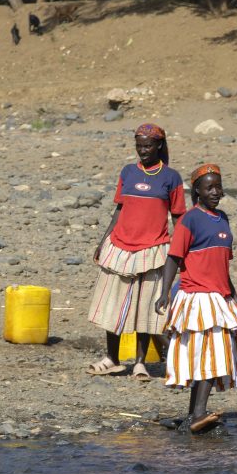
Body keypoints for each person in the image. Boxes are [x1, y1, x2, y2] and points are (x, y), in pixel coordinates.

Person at [155, 164, 237, 433]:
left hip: (220, 298)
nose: (216, 192)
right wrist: (164, 293)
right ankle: (199, 412)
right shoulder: (190, 219)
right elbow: (174, 258)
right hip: (198, 297)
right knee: (212, 357)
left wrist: (234, 295)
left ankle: (192, 414)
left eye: (218, 186)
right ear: (197, 191)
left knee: (205, 356)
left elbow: (222, 266)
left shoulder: (222, 219)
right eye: (209, 187)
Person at [87, 123, 185, 379]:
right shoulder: (128, 172)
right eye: (139, 146)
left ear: (159, 146)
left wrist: (182, 250)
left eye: (148, 146)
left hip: (153, 249)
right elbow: (119, 210)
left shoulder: (171, 177)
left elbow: (178, 217)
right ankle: (112, 358)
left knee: (144, 307)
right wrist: (103, 240)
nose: (143, 151)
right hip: (120, 245)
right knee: (114, 304)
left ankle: (140, 363)